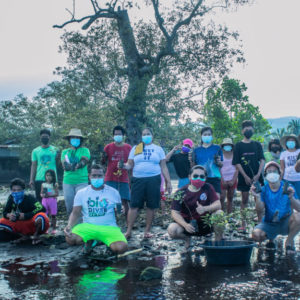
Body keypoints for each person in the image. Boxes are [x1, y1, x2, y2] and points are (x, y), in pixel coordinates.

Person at [120, 128, 172, 239]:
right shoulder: (136, 148)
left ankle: (147, 231)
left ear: (152, 136)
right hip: (138, 180)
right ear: (141, 136)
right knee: (134, 205)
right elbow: (130, 164)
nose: (146, 136)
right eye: (144, 134)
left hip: (154, 179)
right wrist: (123, 166)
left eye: (148, 134)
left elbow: (163, 166)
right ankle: (128, 231)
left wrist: (168, 182)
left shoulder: (158, 149)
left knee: (151, 206)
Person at [64, 164, 128, 254]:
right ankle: (91, 241)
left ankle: (101, 241)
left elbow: (118, 212)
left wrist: (121, 210)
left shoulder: (113, 192)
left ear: (104, 176)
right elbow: (75, 212)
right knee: (70, 238)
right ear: (89, 176)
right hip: (88, 226)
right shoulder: (81, 193)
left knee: (121, 248)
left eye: (99, 176)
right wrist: (69, 226)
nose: (97, 178)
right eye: (94, 175)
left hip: (108, 227)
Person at [167, 165, 223, 249]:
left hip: (205, 223)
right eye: (195, 176)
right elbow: (174, 212)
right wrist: (185, 225)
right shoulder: (180, 192)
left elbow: (218, 204)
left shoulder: (208, 187)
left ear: (205, 178)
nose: (198, 178)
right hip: (188, 225)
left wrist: (205, 208)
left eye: (202, 176)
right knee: (172, 229)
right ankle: (187, 239)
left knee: (219, 213)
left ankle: (218, 244)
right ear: (189, 177)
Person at [251, 162, 300, 253]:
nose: (272, 174)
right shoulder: (263, 189)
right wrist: (257, 196)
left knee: (299, 217)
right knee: (256, 235)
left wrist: (291, 197)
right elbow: (259, 210)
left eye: (274, 171)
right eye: (269, 172)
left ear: (279, 174)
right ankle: (271, 238)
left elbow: (299, 208)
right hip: (270, 222)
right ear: (265, 175)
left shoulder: (288, 187)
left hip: (286, 222)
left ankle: (289, 242)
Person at [232, 120, 265, 223]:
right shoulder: (238, 145)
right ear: (242, 131)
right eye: (246, 129)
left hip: (257, 177)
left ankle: (260, 222)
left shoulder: (257, 144)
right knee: (244, 200)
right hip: (243, 177)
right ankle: (243, 223)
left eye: (250, 129)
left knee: (258, 199)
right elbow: (237, 162)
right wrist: (245, 176)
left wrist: (258, 174)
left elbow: (262, 160)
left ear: (253, 130)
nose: (248, 131)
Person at [0, 178, 49, 244]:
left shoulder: (29, 197)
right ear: (11, 190)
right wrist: (9, 215)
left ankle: (36, 235)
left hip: (32, 223)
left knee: (42, 216)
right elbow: (5, 212)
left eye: (19, 190)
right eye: (14, 190)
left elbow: (42, 208)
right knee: (1, 222)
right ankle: (24, 236)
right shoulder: (11, 198)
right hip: (21, 224)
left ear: (23, 190)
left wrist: (26, 215)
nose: (16, 192)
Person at [101, 125, 132, 218]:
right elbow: (102, 162)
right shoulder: (108, 147)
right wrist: (103, 157)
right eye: (115, 134)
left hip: (123, 178)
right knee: (110, 201)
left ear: (123, 136)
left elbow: (131, 163)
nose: (117, 136)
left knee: (125, 200)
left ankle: (128, 224)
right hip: (110, 178)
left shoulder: (128, 148)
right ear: (113, 136)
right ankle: (112, 222)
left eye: (119, 134)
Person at [61, 128, 90, 216]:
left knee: (81, 204)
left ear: (80, 140)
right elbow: (64, 165)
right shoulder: (65, 152)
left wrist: (78, 165)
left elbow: (84, 161)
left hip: (82, 181)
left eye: (77, 138)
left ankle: (82, 225)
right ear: (69, 140)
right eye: (73, 138)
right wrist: (69, 166)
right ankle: (71, 225)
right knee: (69, 206)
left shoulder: (85, 150)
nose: (75, 139)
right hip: (68, 182)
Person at [29, 129, 58, 202]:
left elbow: (59, 163)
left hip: (52, 179)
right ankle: (41, 214)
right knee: (40, 200)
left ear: (49, 138)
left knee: (51, 200)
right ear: (40, 138)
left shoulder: (55, 149)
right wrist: (31, 180)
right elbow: (34, 165)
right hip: (39, 179)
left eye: (46, 136)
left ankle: (50, 214)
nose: (44, 138)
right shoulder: (35, 151)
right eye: (43, 136)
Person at [192, 127, 223, 196]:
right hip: (201, 178)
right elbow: (193, 166)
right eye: (205, 134)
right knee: (202, 201)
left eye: (209, 134)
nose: (207, 136)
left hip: (214, 178)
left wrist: (219, 163)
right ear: (201, 136)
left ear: (212, 136)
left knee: (216, 200)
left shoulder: (217, 148)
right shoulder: (196, 150)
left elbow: (221, 164)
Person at [220, 138, 238, 213]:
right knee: (222, 198)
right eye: (225, 145)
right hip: (222, 179)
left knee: (230, 198)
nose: (227, 146)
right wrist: (222, 180)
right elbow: (218, 168)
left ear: (231, 146)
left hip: (232, 179)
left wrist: (233, 180)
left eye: (229, 145)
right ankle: (220, 216)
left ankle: (229, 216)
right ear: (223, 146)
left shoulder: (235, 155)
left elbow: (238, 168)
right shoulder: (220, 154)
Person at [41, 169, 59, 234]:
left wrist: (49, 194)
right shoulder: (43, 184)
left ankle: (54, 229)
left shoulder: (55, 184)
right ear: (45, 176)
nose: (48, 177)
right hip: (45, 201)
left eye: (50, 176)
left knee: (53, 215)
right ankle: (46, 229)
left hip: (52, 200)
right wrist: (43, 195)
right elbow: (41, 193)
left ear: (53, 177)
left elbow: (57, 194)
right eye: (47, 175)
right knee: (45, 215)